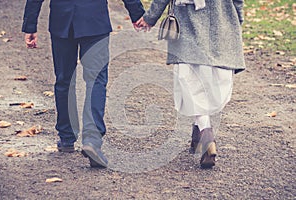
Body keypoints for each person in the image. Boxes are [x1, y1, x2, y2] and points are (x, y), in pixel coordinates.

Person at [22, 0, 145, 168]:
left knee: (64, 80)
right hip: (95, 20)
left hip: (62, 20)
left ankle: (66, 137)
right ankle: (92, 140)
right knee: (96, 80)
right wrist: (137, 13)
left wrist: (30, 25)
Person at [136, 0, 245, 168]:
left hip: (188, 18)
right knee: (212, 80)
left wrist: (150, 17)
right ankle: (200, 135)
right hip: (221, 18)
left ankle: (205, 135)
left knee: (191, 82)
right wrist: (238, 16)